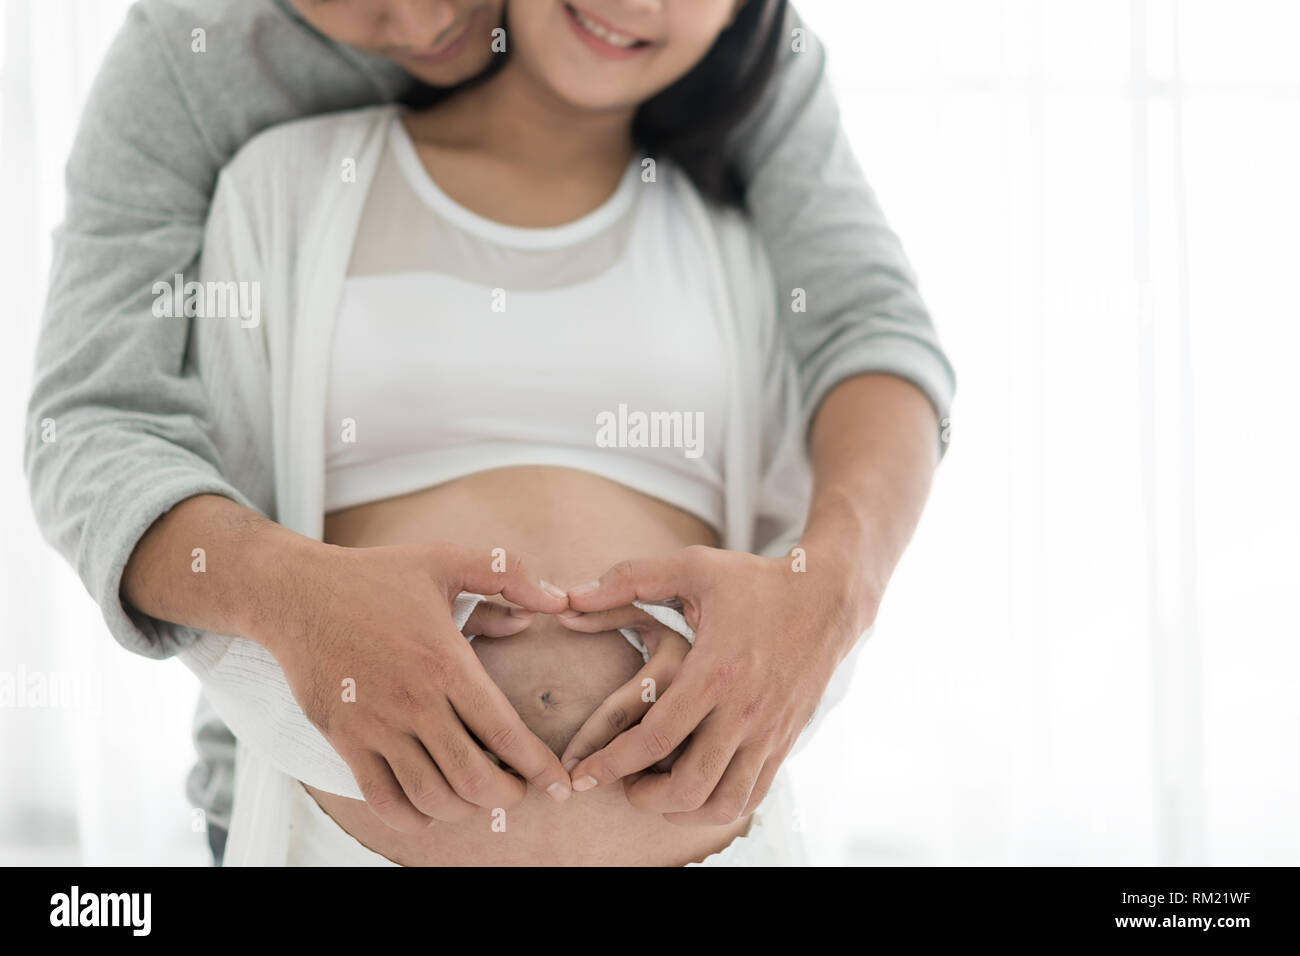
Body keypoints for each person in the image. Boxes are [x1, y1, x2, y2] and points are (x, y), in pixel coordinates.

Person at [24, 0, 954, 864]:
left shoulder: (742, 193)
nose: (429, 23)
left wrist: (822, 596)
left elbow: (871, 335)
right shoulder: (257, 151)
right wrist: (293, 601)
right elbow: (106, 427)